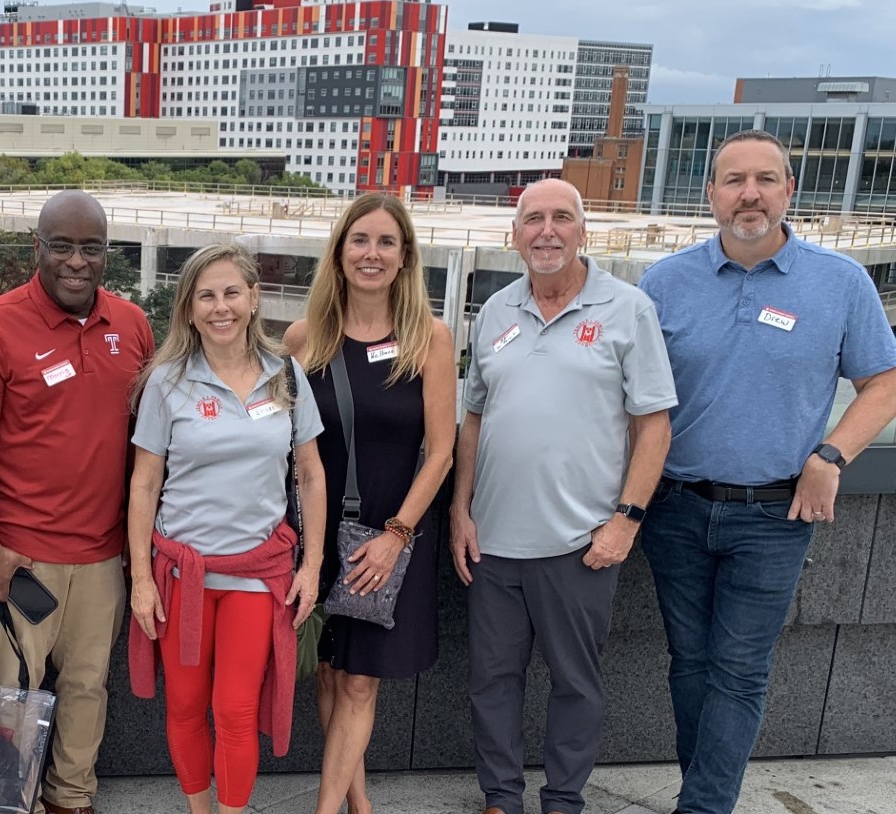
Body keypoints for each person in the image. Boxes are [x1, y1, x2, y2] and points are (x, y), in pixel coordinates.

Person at [636, 130, 896, 814]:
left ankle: (702, 807)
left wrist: (830, 455)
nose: (748, 193)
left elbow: (883, 382)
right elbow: (625, 397)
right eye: (732, 180)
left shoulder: (838, 283)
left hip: (776, 516)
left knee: (740, 671)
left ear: (788, 190)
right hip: (674, 508)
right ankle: (705, 795)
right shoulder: (662, 283)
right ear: (710, 195)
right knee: (689, 665)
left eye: (763, 179)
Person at [450, 179, 677, 814]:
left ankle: (564, 801)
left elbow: (653, 424)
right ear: (515, 234)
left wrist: (626, 521)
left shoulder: (628, 308)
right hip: (493, 542)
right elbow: (473, 417)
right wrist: (459, 510)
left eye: (561, 219)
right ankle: (500, 798)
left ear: (583, 232)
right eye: (533, 220)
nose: (546, 231)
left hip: (581, 543)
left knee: (576, 683)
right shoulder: (494, 310)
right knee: (491, 682)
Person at [0, 190, 155, 814]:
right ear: (37, 248)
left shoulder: (133, 324)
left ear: (105, 254)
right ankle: (7, 801)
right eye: (61, 246)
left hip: (101, 555)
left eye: (90, 248)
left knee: (89, 688)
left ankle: (71, 799)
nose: (76, 261)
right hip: (21, 557)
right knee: (11, 692)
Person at [125, 243, 325, 814]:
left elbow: (310, 474)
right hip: (181, 576)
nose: (220, 307)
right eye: (205, 296)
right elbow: (143, 485)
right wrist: (142, 578)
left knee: (236, 710)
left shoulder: (286, 374)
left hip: (256, 575)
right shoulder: (166, 383)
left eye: (231, 292)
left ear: (254, 298)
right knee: (186, 706)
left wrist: (310, 568)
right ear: (188, 308)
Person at [282, 192, 456, 814]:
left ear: (405, 256)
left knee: (360, 680)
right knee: (331, 672)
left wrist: (398, 533)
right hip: (321, 533)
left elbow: (441, 451)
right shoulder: (305, 338)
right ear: (339, 252)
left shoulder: (429, 339)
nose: (372, 254)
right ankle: (360, 803)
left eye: (386, 242)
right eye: (360, 240)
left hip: (393, 535)